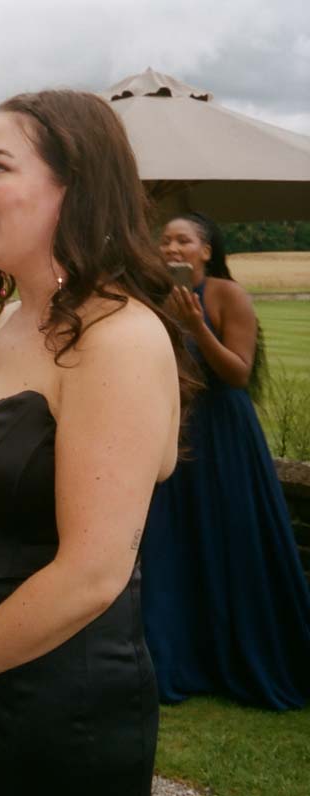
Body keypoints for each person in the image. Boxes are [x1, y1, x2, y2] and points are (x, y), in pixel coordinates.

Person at [0, 89, 196, 795]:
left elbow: (91, 576)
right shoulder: (4, 324)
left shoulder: (121, 338)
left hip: (59, 708)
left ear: (71, 187)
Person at [143, 211, 310, 710]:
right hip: (175, 430)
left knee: (230, 536)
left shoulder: (226, 296)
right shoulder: (154, 296)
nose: (171, 248)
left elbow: (237, 374)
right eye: (165, 240)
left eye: (183, 240)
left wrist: (198, 325)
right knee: (174, 542)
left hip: (224, 434)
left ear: (207, 250)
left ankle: (235, 653)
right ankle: (177, 655)